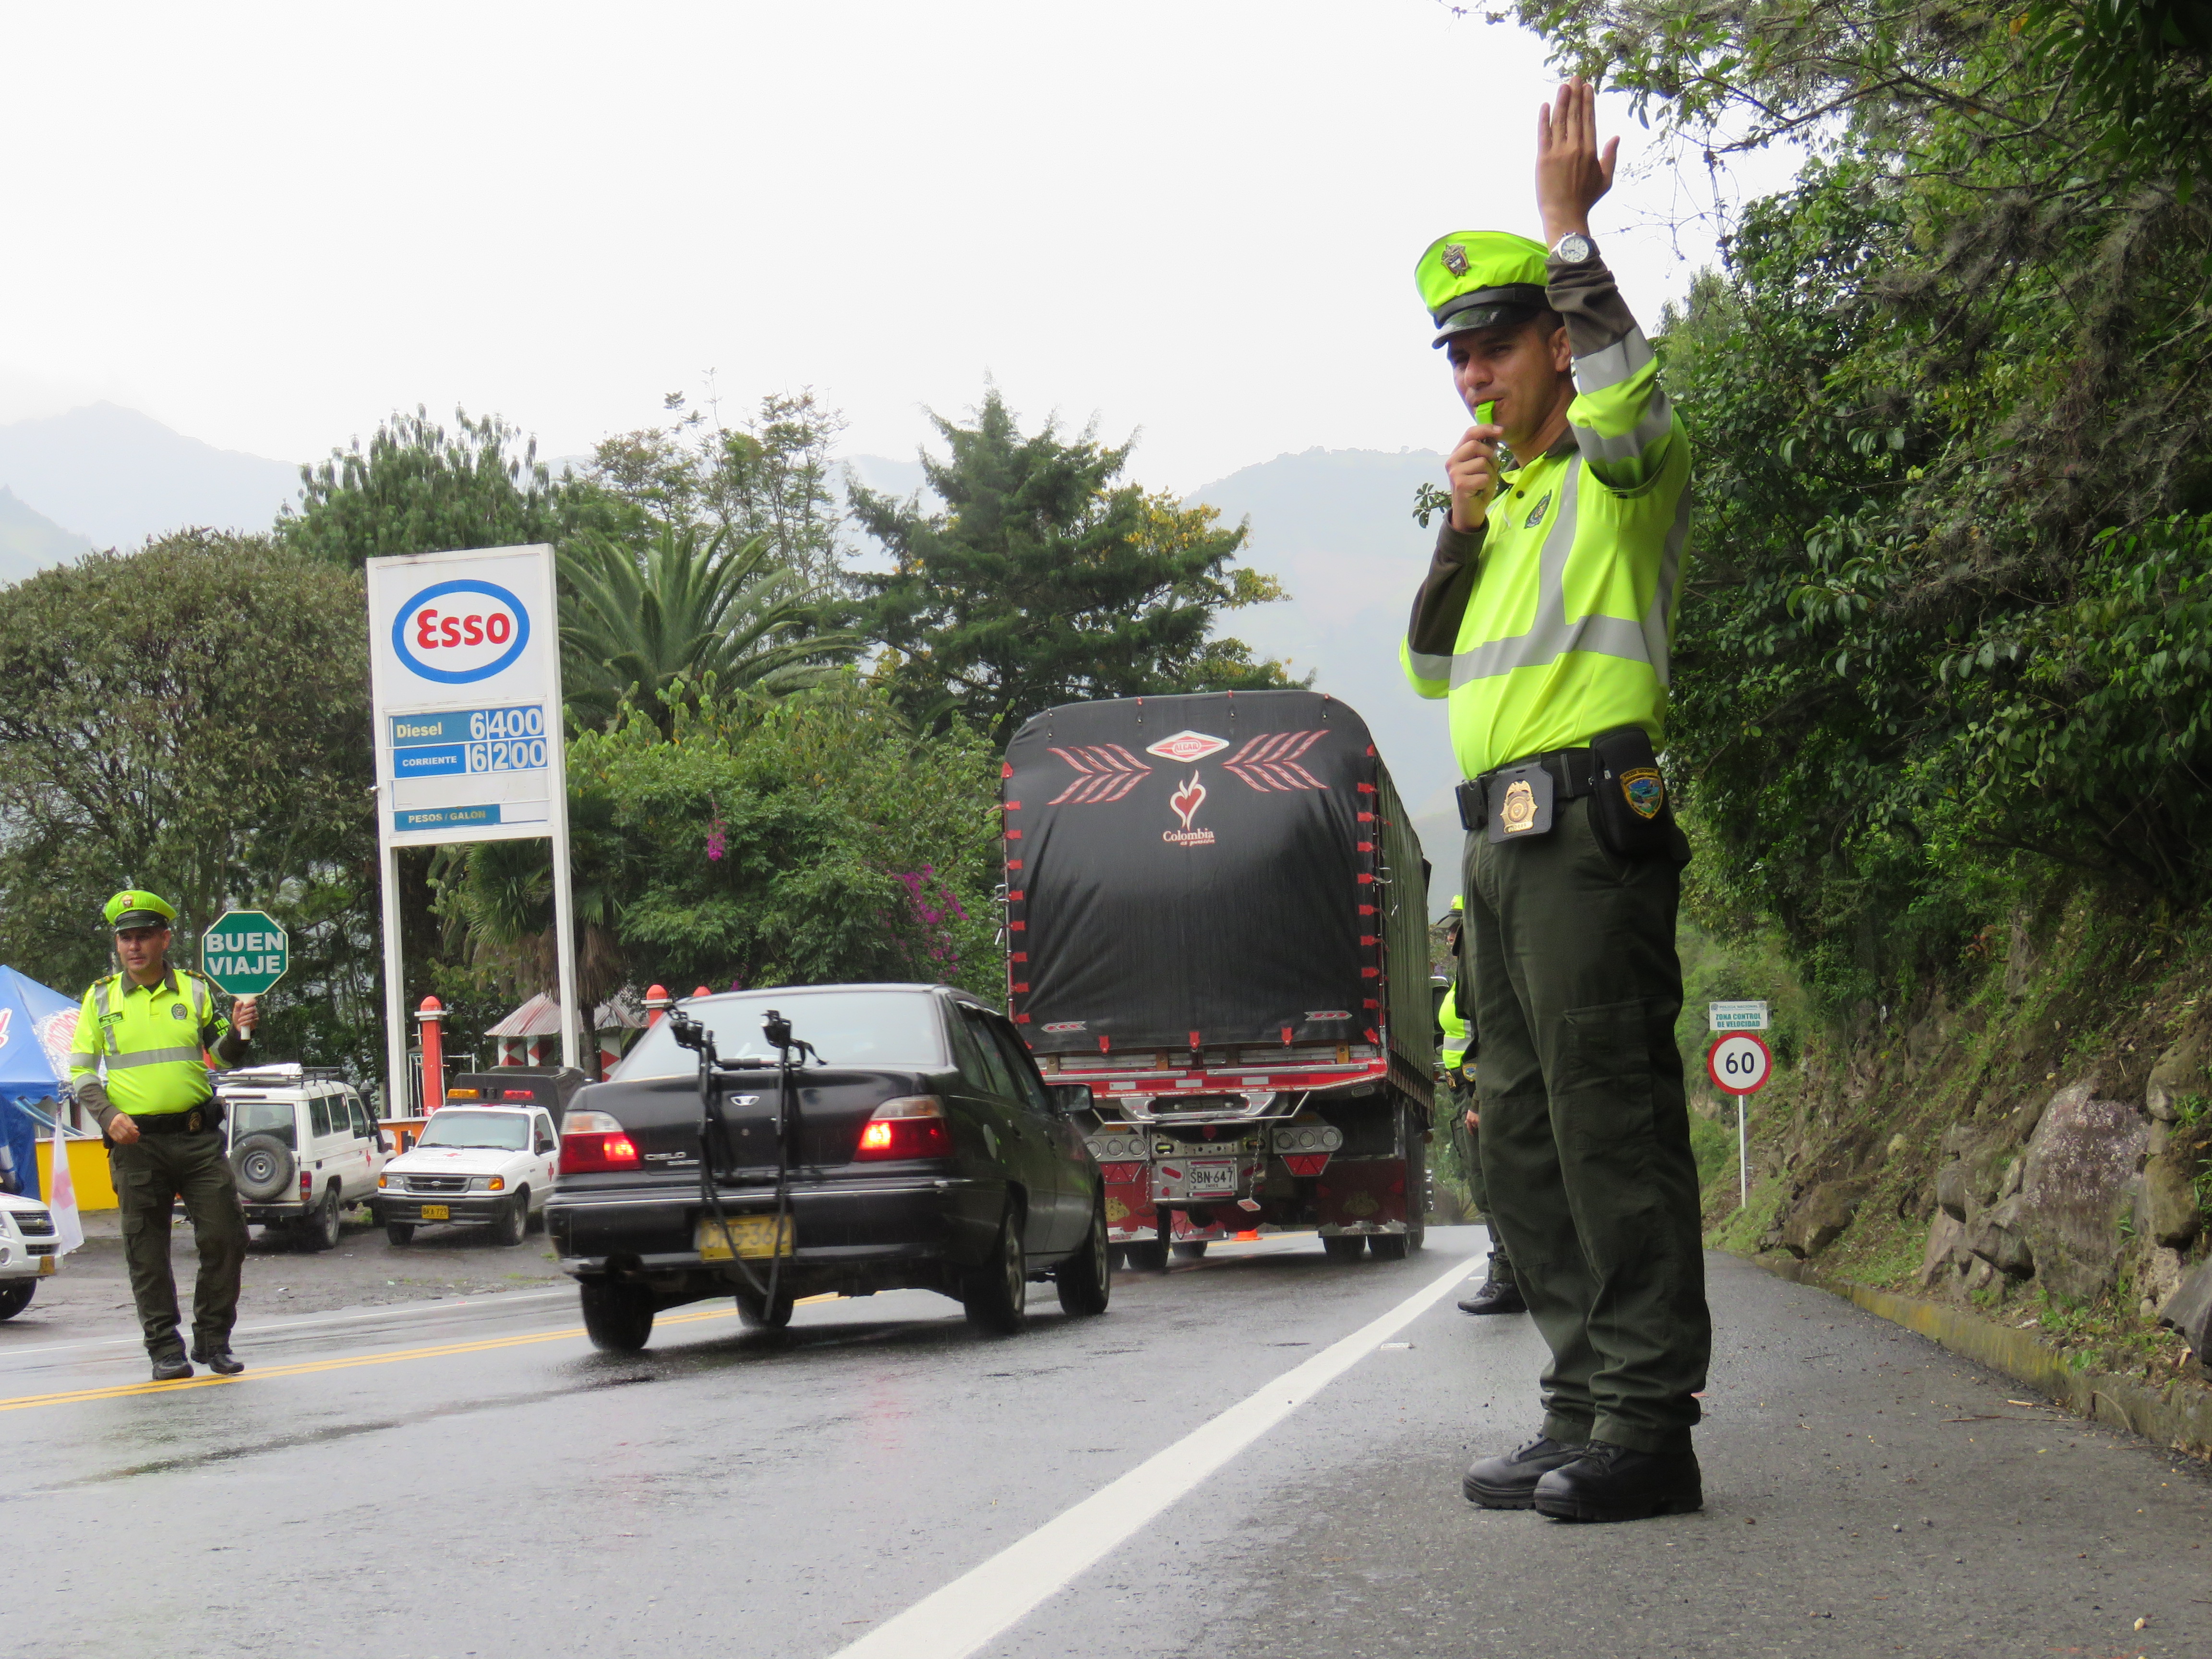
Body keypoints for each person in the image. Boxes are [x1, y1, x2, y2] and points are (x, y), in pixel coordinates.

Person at [1400, 79, 1709, 1523]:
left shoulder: (1615, 476)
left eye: (1498, 342)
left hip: (1591, 838)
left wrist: (1569, 235)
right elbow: (1422, 667)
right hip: (1499, 858)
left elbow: (1637, 385)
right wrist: (1458, 531)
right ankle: (1583, 1400)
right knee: (1515, 1139)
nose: (1474, 372)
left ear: (1557, 349)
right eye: (1457, 353)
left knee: (1609, 1125)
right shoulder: (1503, 509)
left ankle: (1648, 1426)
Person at [65, 890, 259, 1380]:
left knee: (226, 1236)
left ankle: (214, 1340)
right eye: (125, 938)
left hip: (197, 1139)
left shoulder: (194, 990)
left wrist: (238, 1032)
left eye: (143, 936)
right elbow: (82, 1072)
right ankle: (163, 1349)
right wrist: (106, 1114)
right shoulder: (100, 997)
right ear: (118, 944)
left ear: (164, 939)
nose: (134, 947)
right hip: (136, 1145)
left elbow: (220, 1054)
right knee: (146, 1250)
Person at [1440, 897, 1525, 1316]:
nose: (1450, 936)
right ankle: (1511, 1277)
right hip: (1466, 1092)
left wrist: (1479, 1099)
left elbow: (1492, 1036)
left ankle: (1508, 1280)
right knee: (1486, 1188)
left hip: (1479, 1092)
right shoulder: (1465, 972)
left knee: (1491, 1191)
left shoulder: (1483, 968)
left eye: (1456, 928)